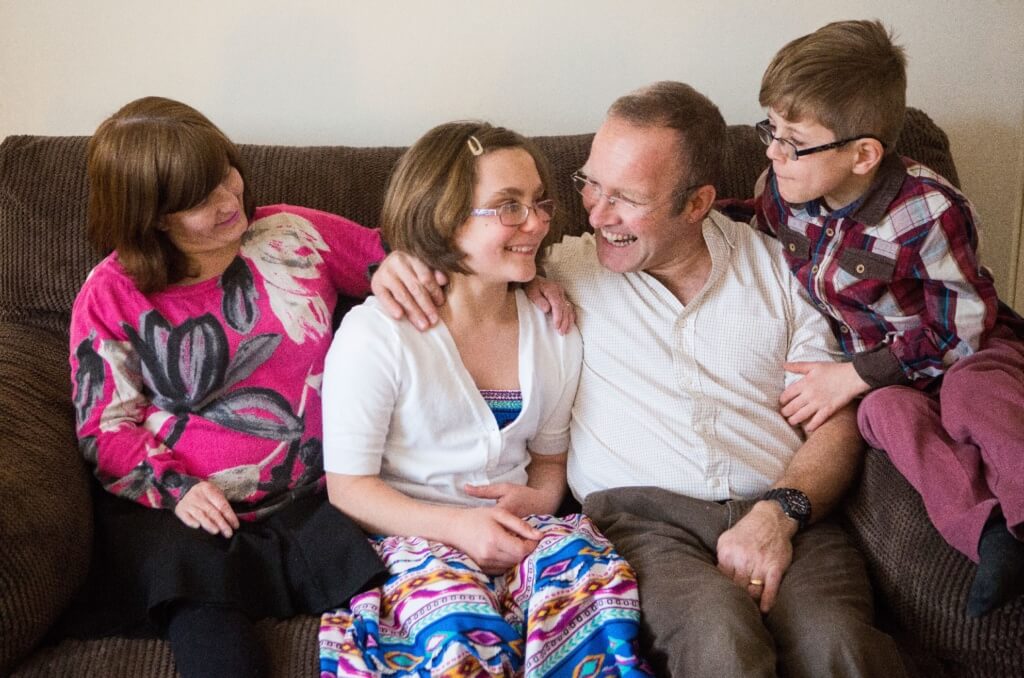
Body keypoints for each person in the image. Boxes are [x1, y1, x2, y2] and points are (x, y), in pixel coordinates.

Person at [371, 83, 906, 677]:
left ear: (698, 202)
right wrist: (402, 260)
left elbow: (836, 416)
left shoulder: (783, 270)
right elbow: (469, 250)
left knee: (839, 645)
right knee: (718, 640)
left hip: (786, 509)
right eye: (590, 185)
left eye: (626, 198)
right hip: (641, 522)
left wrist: (778, 515)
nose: (596, 215)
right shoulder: (560, 267)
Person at [68, 96, 390, 678]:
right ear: (152, 216)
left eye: (225, 177)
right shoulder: (112, 292)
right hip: (188, 514)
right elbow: (104, 426)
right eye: (198, 200)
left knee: (387, 620)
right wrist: (174, 488)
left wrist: (521, 286)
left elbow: (394, 257)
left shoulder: (291, 233)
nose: (228, 201)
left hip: (314, 502)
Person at [317, 121, 649, 677]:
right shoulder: (378, 334)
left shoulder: (554, 328)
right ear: (444, 220)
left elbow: (547, 465)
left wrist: (539, 503)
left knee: (596, 601)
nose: (538, 222)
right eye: (509, 207)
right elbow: (348, 488)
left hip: (522, 531)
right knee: (459, 632)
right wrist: (457, 529)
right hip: (413, 537)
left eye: (539, 202)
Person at [725, 19, 1024, 617]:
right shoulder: (782, 190)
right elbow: (750, 232)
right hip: (885, 380)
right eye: (772, 130)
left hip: (968, 349)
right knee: (883, 416)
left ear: (864, 154)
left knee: (971, 395)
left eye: (793, 140)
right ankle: (989, 535)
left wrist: (856, 375)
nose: (773, 151)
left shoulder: (929, 210)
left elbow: (962, 326)